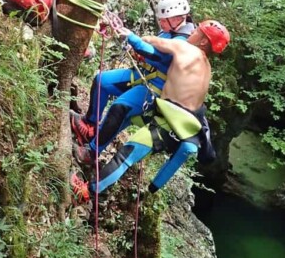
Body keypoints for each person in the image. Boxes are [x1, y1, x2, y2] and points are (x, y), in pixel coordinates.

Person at [70, 20, 230, 198]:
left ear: (203, 42)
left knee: (126, 156)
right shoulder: (206, 67)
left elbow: (156, 42)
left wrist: (130, 35)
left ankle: (88, 191)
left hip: (167, 125)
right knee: (124, 117)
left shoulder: (187, 49)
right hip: (177, 126)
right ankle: (93, 152)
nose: (192, 32)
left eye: (197, 31)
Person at [71, 0, 194, 164]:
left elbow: (160, 57)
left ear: (178, 18)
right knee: (102, 82)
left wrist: (133, 39)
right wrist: (135, 49)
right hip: (142, 75)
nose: (162, 24)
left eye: (164, 21)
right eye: (161, 21)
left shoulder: (185, 41)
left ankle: (91, 152)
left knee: (119, 108)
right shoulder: (170, 30)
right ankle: (90, 126)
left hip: (153, 89)